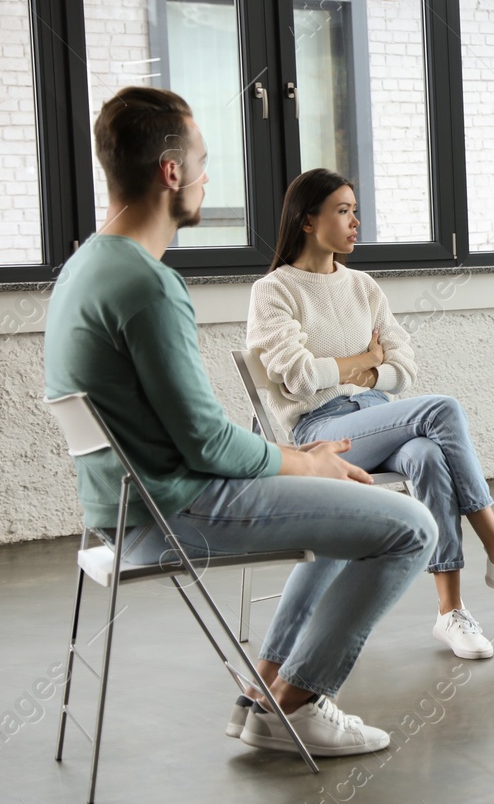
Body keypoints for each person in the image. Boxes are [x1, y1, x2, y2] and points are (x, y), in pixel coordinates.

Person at [44, 87, 435, 757]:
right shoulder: (146, 283)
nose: (206, 176)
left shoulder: (82, 268)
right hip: (176, 509)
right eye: (201, 161)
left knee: (350, 508)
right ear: (171, 172)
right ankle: (294, 704)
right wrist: (305, 461)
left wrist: (311, 469)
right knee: (411, 527)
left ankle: (275, 689)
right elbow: (208, 441)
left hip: (119, 512)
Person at [247, 169, 494, 661]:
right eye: (343, 210)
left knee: (426, 455)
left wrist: (366, 373)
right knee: (442, 410)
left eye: (356, 210)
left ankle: (450, 613)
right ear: (307, 220)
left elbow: (404, 370)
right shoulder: (276, 291)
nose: (356, 221)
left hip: (380, 417)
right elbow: (300, 378)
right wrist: (365, 361)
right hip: (322, 429)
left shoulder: (364, 287)